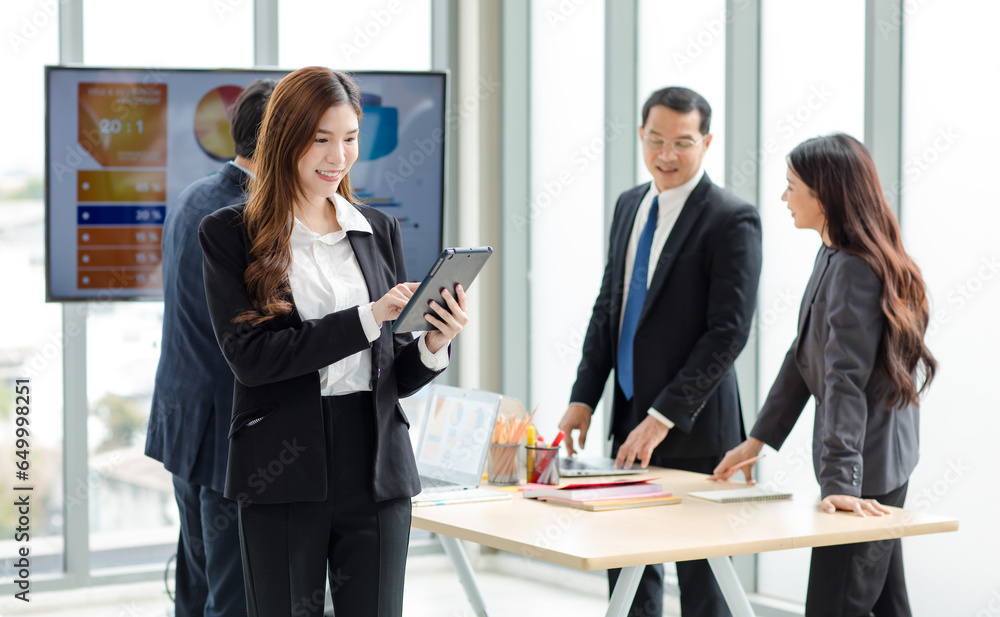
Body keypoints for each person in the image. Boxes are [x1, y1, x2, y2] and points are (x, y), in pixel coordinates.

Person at [198, 66, 467, 617]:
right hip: (285, 466)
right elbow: (253, 360)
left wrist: (433, 344)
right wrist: (368, 317)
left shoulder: (376, 229)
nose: (337, 157)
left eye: (349, 139)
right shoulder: (230, 234)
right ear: (283, 138)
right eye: (321, 139)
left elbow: (391, 373)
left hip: (375, 467)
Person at [558, 86, 763, 617]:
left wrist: (662, 417)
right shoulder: (630, 204)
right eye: (655, 140)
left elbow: (729, 332)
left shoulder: (731, 218)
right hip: (626, 423)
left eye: (682, 142)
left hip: (696, 435)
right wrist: (584, 395)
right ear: (641, 136)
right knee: (628, 574)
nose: (666, 155)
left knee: (704, 586)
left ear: (707, 142)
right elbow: (610, 307)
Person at [712, 133, 936, 616]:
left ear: (824, 194)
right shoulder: (833, 254)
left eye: (792, 186)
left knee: (835, 604)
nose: (783, 197)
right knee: (887, 601)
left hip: (867, 466)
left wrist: (840, 483)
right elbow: (804, 356)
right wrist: (758, 441)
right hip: (870, 458)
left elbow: (844, 379)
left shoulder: (855, 268)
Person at [146, 78, 276, 617]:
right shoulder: (250, 218)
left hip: (189, 426)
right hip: (232, 434)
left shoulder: (195, 195)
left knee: (199, 584)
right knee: (235, 596)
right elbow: (265, 338)